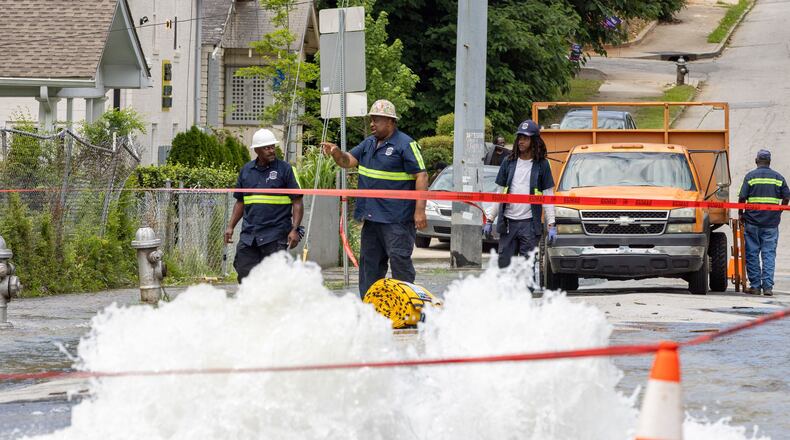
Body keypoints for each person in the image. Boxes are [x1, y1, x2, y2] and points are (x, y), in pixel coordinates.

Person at [321, 99, 429, 297]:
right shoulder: (368, 143)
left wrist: (419, 211)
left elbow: (421, 175)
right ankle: (370, 307)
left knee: (400, 265)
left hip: (397, 220)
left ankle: (406, 308)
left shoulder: (406, 144)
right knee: (369, 266)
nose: (372, 124)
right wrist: (336, 153)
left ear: (390, 122)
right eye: (371, 119)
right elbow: (348, 161)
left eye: (376, 120)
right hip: (372, 219)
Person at [225, 128, 304, 283]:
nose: (271, 150)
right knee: (244, 272)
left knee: (275, 280)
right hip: (250, 235)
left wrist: (295, 230)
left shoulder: (285, 169)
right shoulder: (246, 171)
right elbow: (240, 201)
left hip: (275, 235)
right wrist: (230, 226)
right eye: (266, 148)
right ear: (257, 150)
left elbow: (297, 202)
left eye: (272, 147)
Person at [485, 120, 555, 269]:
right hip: (508, 223)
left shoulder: (542, 164)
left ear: (534, 141)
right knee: (504, 267)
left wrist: (551, 224)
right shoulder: (508, 162)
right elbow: (499, 193)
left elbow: (548, 196)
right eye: (519, 138)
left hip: (530, 225)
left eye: (525, 138)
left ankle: (526, 293)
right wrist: (490, 219)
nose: (521, 141)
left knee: (526, 268)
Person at [737, 149, 790, 296]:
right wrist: (779, 210)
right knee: (769, 255)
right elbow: (787, 196)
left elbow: (742, 198)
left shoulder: (750, 177)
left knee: (752, 253)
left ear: (756, 161)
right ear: (769, 162)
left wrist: (741, 214)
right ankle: (768, 287)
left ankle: (755, 286)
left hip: (752, 222)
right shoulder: (778, 177)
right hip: (771, 223)